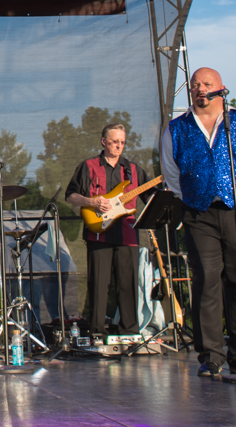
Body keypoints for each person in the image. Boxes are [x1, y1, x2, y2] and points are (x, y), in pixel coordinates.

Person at [160, 67, 236, 377]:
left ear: (221, 88)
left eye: (206, 84)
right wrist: (194, 198)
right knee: (206, 280)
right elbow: (171, 173)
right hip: (199, 212)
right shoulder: (176, 128)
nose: (200, 89)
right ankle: (210, 355)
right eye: (195, 84)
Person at [65, 123, 144, 337]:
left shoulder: (133, 169)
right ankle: (96, 332)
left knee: (128, 285)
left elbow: (151, 194)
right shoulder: (88, 166)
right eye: (115, 142)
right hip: (98, 232)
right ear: (104, 142)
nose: (119, 146)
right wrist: (91, 201)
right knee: (99, 285)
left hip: (127, 233)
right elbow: (70, 195)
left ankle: (130, 332)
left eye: (122, 142)